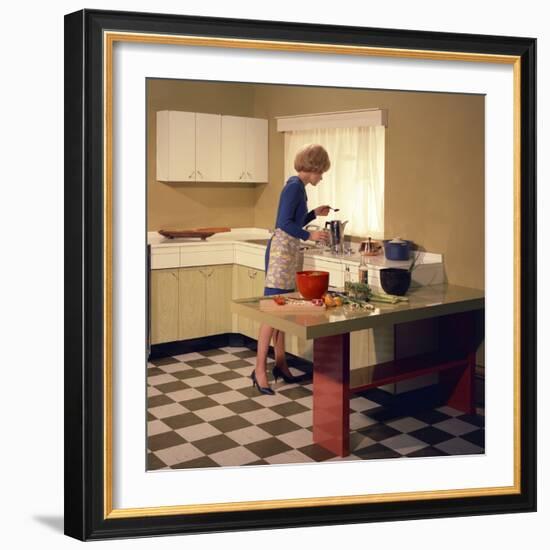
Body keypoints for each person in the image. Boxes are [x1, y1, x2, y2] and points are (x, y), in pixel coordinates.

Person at [251, 144, 331, 395]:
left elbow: (293, 220)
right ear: (313, 167)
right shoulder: (294, 188)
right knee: (271, 313)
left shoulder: (299, 188)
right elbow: (283, 224)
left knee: (281, 310)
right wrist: (310, 234)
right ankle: (259, 370)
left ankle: (281, 363)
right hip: (280, 254)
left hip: (287, 253)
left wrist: (311, 214)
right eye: (322, 171)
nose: (322, 176)